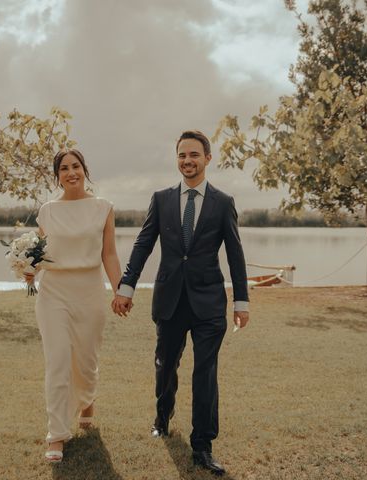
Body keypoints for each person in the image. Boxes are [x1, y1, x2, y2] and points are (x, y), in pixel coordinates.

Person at [112, 130, 249, 476]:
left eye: (194, 155)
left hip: (209, 304)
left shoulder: (222, 202)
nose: (187, 161)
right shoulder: (161, 200)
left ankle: (202, 445)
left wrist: (241, 301)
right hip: (170, 300)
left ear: (207, 158)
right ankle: (162, 417)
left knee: (205, 373)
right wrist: (126, 286)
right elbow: (143, 245)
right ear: (177, 159)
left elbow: (235, 254)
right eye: (182, 155)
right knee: (165, 365)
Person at [30, 148, 123, 463]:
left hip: (89, 291)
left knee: (85, 361)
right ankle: (56, 434)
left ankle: (87, 399)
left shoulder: (103, 208)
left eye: (76, 166)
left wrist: (120, 290)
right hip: (53, 293)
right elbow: (41, 254)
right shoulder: (47, 211)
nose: (71, 172)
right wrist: (27, 269)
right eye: (64, 168)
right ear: (57, 176)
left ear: (85, 170)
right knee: (57, 361)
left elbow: (108, 254)